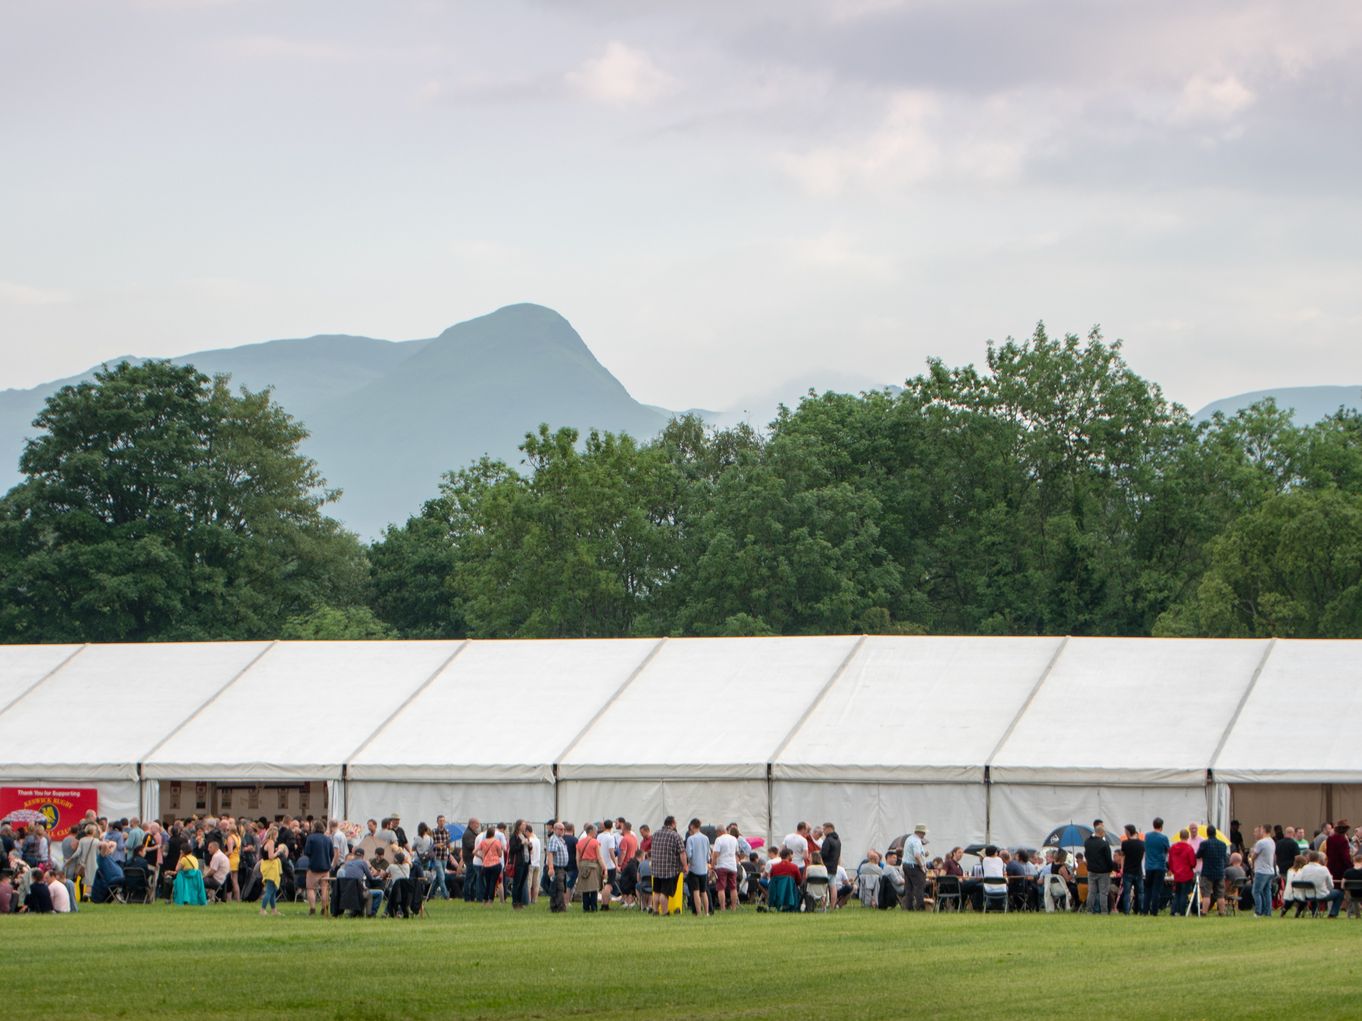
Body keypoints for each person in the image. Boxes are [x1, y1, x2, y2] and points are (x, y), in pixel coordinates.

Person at [648, 816, 684, 916]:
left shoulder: (655, 834)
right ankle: (665, 912)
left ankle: (655, 911)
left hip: (656, 868)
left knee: (656, 891)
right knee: (665, 893)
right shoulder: (675, 835)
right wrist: (685, 865)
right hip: (669, 869)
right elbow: (682, 852)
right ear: (672, 823)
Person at [1297, 851, 1345, 918]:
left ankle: (1313, 912)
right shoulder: (1324, 869)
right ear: (1318, 859)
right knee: (1339, 893)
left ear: (1308, 858)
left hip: (1307, 895)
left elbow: (1300, 880)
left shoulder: (1304, 868)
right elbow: (1331, 886)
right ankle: (1333, 913)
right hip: (1321, 895)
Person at [1196, 824, 1229, 916]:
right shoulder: (1223, 844)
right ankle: (1222, 912)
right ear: (1215, 833)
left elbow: (1198, 855)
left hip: (1207, 872)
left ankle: (1204, 912)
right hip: (1219, 872)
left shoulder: (1204, 844)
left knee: (1206, 894)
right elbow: (1224, 857)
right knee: (1220, 894)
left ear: (1207, 833)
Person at [302, 821, 333, 916]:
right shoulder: (328, 839)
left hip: (313, 867)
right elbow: (331, 854)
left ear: (314, 828)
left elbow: (307, 852)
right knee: (324, 888)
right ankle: (324, 909)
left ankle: (312, 908)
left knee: (311, 888)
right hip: (325, 868)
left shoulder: (310, 838)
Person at [1084, 821, 1114, 914]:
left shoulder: (1087, 842)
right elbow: (1108, 859)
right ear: (1101, 833)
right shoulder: (1104, 844)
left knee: (1091, 892)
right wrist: (1110, 869)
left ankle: (1089, 910)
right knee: (1103, 893)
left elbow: (1086, 854)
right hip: (1103, 871)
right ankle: (1104, 911)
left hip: (1091, 870)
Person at [684, 818, 711, 916]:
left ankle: (699, 912)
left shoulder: (690, 839)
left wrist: (688, 863)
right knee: (704, 892)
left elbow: (689, 854)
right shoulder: (706, 838)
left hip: (694, 869)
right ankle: (707, 912)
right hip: (704, 869)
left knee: (696, 892)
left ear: (691, 826)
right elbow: (708, 855)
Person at [712, 823, 741, 912]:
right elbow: (737, 853)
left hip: (721, 866)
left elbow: (715, 854)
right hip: (732, 866)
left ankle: (723, 908)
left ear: (719, 832)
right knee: (733, 888)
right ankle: (734, 908)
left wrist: (713, 865)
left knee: (721, 888)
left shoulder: (719, 840)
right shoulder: (734, 839)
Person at [1249, 824, 1276, 918]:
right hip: (1270, 870)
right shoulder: (1272, 841)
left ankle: (1258, 911)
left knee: (1256, 891)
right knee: (1267, 892)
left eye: (1260, 830)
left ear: (1264, 830)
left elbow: (1254, 855)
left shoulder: (1261, 843)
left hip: (1261, 870)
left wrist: (1251, 859)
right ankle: (1267, 912)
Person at [1169, 829, 1197, 916]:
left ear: (1180, 836)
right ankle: (1182, 911)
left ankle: (1173, 910)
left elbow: (1170, 861)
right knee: (1184, 894)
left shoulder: (1173, 847)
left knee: (1177, 893)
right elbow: (1193, 863)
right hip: (1187, 874)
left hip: (1177, 874)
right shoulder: (1189, 848)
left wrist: (1173, 870)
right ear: (1188, 836)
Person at [575, 823, 602, 912]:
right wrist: (604, 867)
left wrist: (579, 867)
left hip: (583, 865)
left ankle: (585, 907)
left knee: (585, 888)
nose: (596, 833)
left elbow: (577, 858)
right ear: (591, 831)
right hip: (593, 866)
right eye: (595, 831)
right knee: (594, 887)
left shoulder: (579, 842)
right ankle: (593, 907)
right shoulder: (595, 842)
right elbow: (599, 857)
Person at [902, 824, 928, 910]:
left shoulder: (909, 839)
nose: (924, 835)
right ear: (921, 832)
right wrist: (922, 867)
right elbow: (916, 856)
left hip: (906, 865)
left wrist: (924, 855)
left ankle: (909, 906)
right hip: (914, 866)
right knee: (919, 886)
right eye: (924, 833)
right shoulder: (917, 841)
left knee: (909, 887)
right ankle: (920, 906)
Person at [1119, 824, 1145, 914]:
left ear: (1128, 832)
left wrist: (1122, 868)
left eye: (1125, 831)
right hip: (1138, 871)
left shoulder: (1125, 843)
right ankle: (1141, 909)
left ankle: (1126, 910)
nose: (1125, 833)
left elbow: (1122, 857)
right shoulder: (1142, 844)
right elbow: (1142, 857)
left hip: (1128, 871)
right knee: (1140, 892)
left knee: (1127, 892)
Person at [546, 821, 570, 913]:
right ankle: (560, 907)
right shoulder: (554, 839)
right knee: (559, 888)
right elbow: (551, 853)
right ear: (555, 829)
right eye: (560, 829)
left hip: (562, 868)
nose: (562, 831)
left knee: (558, 887)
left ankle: (555, 906)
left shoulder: (561, 839)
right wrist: (551, 867)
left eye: (563, 829)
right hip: (556, 868)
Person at [476, 825, 502, 906]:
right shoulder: (497, 842)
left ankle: (484, 900)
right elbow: (500, 854)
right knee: (493, 883)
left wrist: (482, 857)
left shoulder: (483, 842)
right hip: (495, 864)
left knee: (487, 883)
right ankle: (490, 900)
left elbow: (474, 851)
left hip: (486, 865)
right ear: (494, 833)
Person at [259, 834, 282, 916]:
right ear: (274, 834)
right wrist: (278, 851)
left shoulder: (265, 842)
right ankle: (262, 909)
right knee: (269, 890)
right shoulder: (271, 842)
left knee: (273, 891)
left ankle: (274, 910)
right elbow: (271, 856)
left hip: (266, 866)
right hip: (271, 868)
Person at [461, 818, 480, 902]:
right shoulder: (468, 834)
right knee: (469, 879)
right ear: (471, 824)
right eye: (477, 824)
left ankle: (472, 896)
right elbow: (470, 846)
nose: (478, 826)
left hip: (472, 858)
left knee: (473, 879)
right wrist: (480, 846)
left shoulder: (472, 833)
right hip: (470, 858)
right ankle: (467, 898)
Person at [527, 823, 543, 904]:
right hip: (537, 863)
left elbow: (530, 852)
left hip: (531, 864)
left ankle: (528, 900)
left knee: (529, 884)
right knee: (536, 884)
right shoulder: (537, 839)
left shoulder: (529, 840)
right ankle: (535, 900)